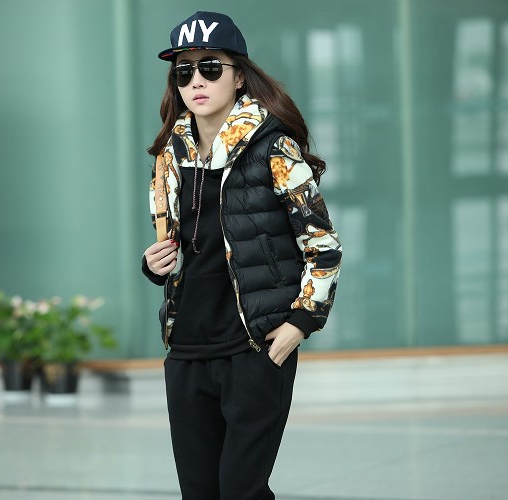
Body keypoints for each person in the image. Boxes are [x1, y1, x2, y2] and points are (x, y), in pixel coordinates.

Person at [142, 11, 342, 500]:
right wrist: (153, 265)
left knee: (241, 491)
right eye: (184, 71)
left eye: (210, 67)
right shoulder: (170, 155)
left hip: (253, 345)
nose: (196, 81)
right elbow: (186, 246)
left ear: (238, 76)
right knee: (199, 492)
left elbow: (322, 246)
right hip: (187, 346)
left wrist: (299, 324)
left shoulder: (274, 147)